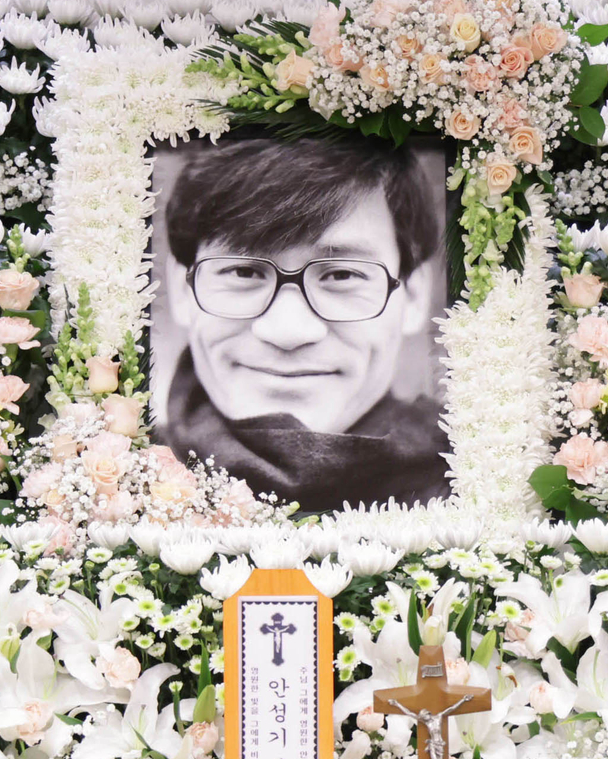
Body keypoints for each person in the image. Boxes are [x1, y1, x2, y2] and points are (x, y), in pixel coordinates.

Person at [154, 137, 451, 511]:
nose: (288, 332)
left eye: (341, 275)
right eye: (243, 271)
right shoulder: (115, 477)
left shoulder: (481, 488)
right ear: (183, 288)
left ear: (413, 295)